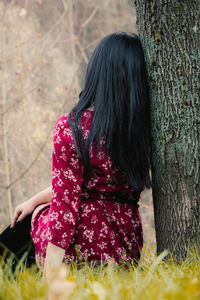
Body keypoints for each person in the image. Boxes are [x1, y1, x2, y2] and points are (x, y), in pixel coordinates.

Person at [0, 32, 151, 276]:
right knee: (30, 215)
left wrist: (52, 276)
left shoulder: (74, 127)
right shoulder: (144, 130)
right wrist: (34, 200)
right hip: (126, 245)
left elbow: (65, 207)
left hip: (82, 246)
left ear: (97, 74)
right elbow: (92, 184)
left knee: (17, 235)